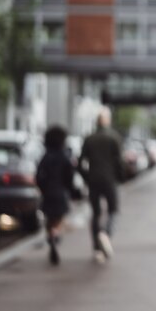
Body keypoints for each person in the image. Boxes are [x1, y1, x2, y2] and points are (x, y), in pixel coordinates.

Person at [78, 107, 124, 264]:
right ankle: (106, 233)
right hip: (109, 180)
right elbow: (119, 162)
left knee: (96, 213)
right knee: (113, 210)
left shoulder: (89, 138)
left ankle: (97, 249)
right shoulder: (114, 138)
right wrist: (120, 178)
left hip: (93, 180)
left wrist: (86, 177)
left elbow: (81, 161)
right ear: (108, 121)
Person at [36, 125, 75, 265]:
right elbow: (69, 176)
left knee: (49, 219)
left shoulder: (45, 157)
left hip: (48, 193)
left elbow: (38, 176)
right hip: (60, 193)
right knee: (59, 219)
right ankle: (55, 234)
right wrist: (69, 189)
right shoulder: (64, 157)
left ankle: (51, 236)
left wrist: (43, 188)